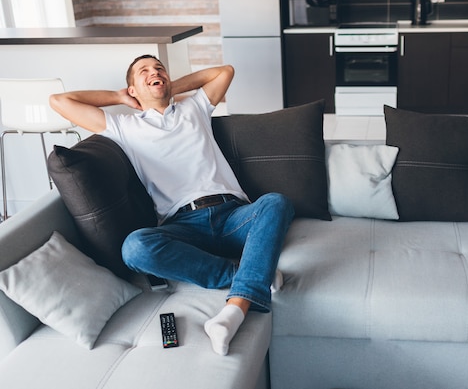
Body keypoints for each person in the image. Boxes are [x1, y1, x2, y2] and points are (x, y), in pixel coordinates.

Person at [49, 55, 294, 356]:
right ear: (132, 89)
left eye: (159, 69)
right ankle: (251, 275)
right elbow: (60, 100)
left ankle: (235, 309)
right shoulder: (123, 127)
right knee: (135, 248)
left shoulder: (195, 108)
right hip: (182, 225)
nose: (154, 72)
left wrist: (168, 86)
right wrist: (118, 97)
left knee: (275, 203)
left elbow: (225, 71)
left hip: (234, 216)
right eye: (144, 72)